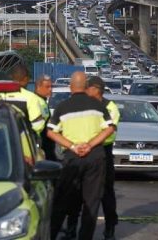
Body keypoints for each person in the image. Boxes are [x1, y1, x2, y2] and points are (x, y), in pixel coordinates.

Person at [47, 71, 114, 240]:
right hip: (95, 157)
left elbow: (51, 132)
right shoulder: (98, 106)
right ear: (86, 87)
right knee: (91, 203)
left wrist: (73, 146)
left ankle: (52, 234)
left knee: (62, 200)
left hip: (72, 158)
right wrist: (90, 144)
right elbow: (109, 128)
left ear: (70, 87)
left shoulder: (63, 107)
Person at [65, 76, 120, 240]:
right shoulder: (84, 104)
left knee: (106, 194)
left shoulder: (110, 107)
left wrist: (89, 142)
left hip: (102, 153)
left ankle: (109, 229)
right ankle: (71, 229)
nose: (85, 90)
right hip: (80, 153)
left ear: (96, 89)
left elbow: (109, 133)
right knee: (74, 193)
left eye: (88, 88)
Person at [0, 63, 46, 137]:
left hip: (2, 140)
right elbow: (38, 125)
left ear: (11, 77)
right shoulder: (31, 98)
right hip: (23, 144)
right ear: (25, 79)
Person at [35, 75, 57, 161]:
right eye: (47, 87)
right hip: (42, 144)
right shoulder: (37, 101)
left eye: (51, 86)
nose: (50, 89)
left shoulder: (43, 100)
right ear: (38, 87)